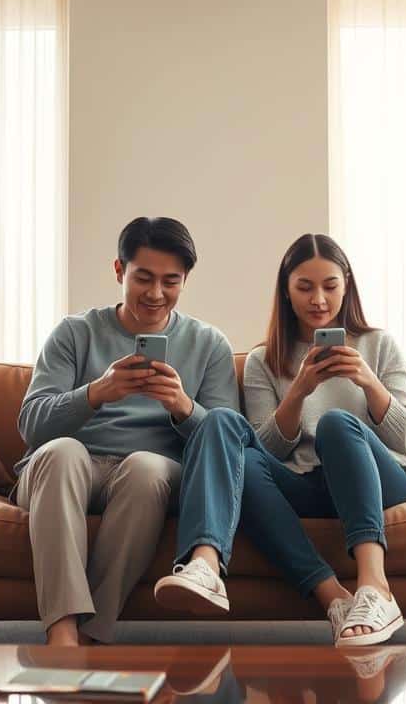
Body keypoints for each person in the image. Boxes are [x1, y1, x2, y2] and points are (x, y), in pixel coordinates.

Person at [15, 216, 240, 646]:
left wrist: (183, 407)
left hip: (147, 475)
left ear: (185, 280)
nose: (156, 294)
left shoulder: (208, 344)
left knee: (147, 467)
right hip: (66, 469)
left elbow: (227, 443)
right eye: (143, 278)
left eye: (170, 281)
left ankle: (94, 634)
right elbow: (32, 424)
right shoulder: (74, 333)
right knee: (63, 452)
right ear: (119, 271)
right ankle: (62, 635)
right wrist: (96, 393)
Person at [239, 233, 406, 646]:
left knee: (337, 425)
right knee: (243, 461)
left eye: (330, 286)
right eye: (304, 287)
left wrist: (368, 382)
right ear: (286, 292)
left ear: (347, 286)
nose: (318, 299)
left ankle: (375, 586)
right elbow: (266, 449)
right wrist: (300, 390)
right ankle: (335, 597)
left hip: (381, 482)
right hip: (306, 486)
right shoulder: (262, 360)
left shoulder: (378, 345)